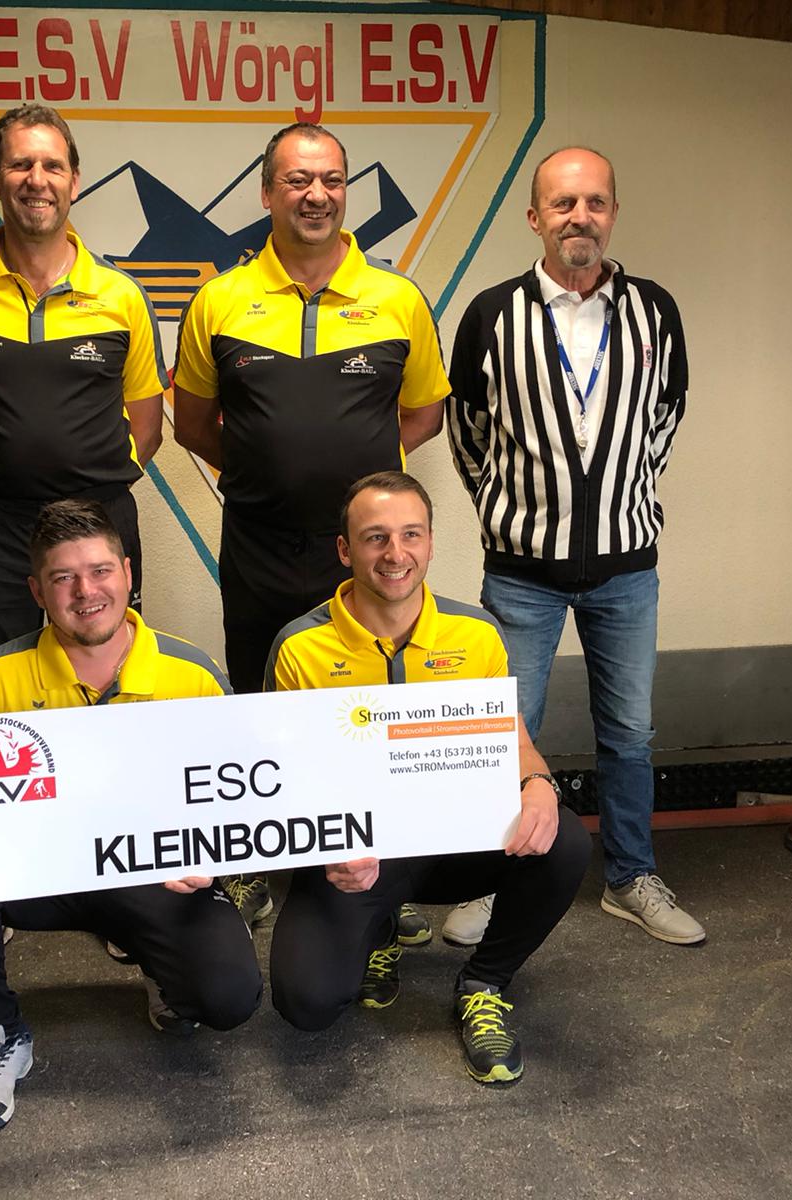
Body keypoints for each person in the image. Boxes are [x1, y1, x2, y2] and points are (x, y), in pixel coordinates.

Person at [0, 500, 261, 1135]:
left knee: (227, 999)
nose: (86, 591)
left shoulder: (193, 674)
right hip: (37, 874)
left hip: (152, 875)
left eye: (100, 571)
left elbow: (250, 796)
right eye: (64, 577)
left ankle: (161, 967)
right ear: (37, 591)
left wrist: (218, 856)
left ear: (128, 573)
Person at [172, 121, 450, 932]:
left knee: (364, 710)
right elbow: (193, 423)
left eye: (330, 179)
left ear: (346, 191)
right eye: (297, 180)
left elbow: (423, 412)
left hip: (363, 557)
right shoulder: (219, 299)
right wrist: (269, 470)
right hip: (258, 542)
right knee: (260, 702)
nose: (316, 194)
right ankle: (259, 862)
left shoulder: (398, 299)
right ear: (267, 193)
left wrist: (361, 497)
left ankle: (376, 873)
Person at [444, 146, 703, 948]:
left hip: (626, 570)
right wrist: (514, 509)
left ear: (613, 213)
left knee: (629, 733)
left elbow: (665, 415)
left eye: (594, 202)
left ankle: (630, 877)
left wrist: (617, 491)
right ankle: (492, 880)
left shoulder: (655, 311)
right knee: (504, 729)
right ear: (535, 218)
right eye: (562, 203)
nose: (579, 217)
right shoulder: (491, 315)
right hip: (521, 573)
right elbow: (468, 432)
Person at [265, 472, 591, 1086]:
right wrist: (328, 849)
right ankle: (380, 930)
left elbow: (514, 740)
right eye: (376, 537)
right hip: (359, 854)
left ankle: (485, 984)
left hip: (456, 842)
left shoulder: (477, 634)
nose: (396, 553)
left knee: (564, 840)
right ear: (345, 550)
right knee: (306, 1005)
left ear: (432, 543)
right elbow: (283, 781)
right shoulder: (299, 647)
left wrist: (539, 784)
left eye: (410, 534)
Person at [0, 104, 166, 684]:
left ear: (75, 180)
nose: (37, 179)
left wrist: (86, 489)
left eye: (52, 165)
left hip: (99, 523)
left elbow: (147, 429)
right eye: (20, 164)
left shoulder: (122, 294)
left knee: (107, 681)